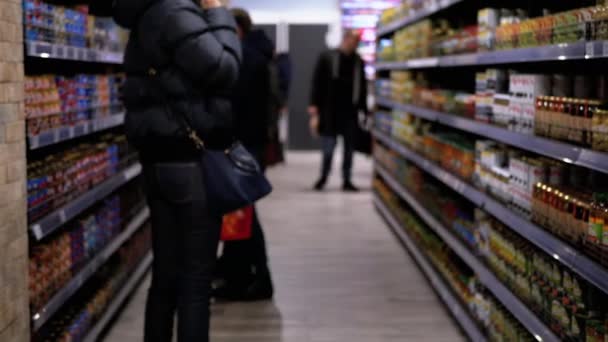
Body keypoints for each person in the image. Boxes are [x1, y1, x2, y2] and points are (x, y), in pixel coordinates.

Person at [111, 0, 241, 341]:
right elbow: (225, 69)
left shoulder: (149, 13)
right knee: (195, 282)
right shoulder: (175, 13)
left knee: (166, 276)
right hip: (189, 163)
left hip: (159, 161)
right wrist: (218, 12)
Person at [214, 8, 275, 302]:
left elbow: (234, 106)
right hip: (250, 143)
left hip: (242, 144)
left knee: (243, 211)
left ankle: (256, 278)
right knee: (242, 210)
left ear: (236, 27)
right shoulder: (255, 55)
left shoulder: (245, 59)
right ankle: (239, 272)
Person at [309, 30, 368, 192]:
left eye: (357, 42)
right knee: (328, 148)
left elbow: (362, 88)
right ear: (345, 39)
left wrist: (365, 111)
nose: (355, 44)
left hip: (350, 113)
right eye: (354, 40)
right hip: (330, 112)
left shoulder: (358, 62)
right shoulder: (327, 57)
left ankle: (347, 179)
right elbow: (317, 83)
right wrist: (314, 107)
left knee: (349, 150)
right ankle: (323, 177)